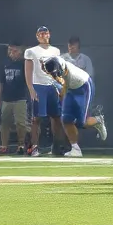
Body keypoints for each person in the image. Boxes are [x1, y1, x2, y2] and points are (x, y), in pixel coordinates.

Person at [41, 56, 107, 156]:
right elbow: (47, 64)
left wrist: (61, 95)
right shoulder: (52, 62)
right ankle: (75, 149)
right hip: (71, 88)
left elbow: (63, 86)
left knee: (81, 122)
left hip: (84, 87)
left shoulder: (65, 71)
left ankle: (98, 120)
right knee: (66, 119)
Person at [24, 26, 64, 156]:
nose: (43, 35)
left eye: (45, 33)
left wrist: (60, 85)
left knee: (56, 117)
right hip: (38, 85)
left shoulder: (56, 51)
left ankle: (57, 146)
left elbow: (58, 70)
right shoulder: (31, 51)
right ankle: (34, 147)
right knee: (37, 118)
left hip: (52, 85)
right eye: (40, 34)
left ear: (49, 35)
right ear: (37, 36)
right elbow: (28, 70)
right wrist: (31, 88)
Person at [0, 43, 29, 154]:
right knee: (5, 122)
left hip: (20, 97)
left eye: (14, 51)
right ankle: (4, 145)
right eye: (10, 50)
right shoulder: (5, 63)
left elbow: (28, 80)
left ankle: (21, 145)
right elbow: (1, 82)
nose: (11, 53)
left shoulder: (23, 63)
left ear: (19, 52)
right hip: (7, 98)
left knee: (21, 123)